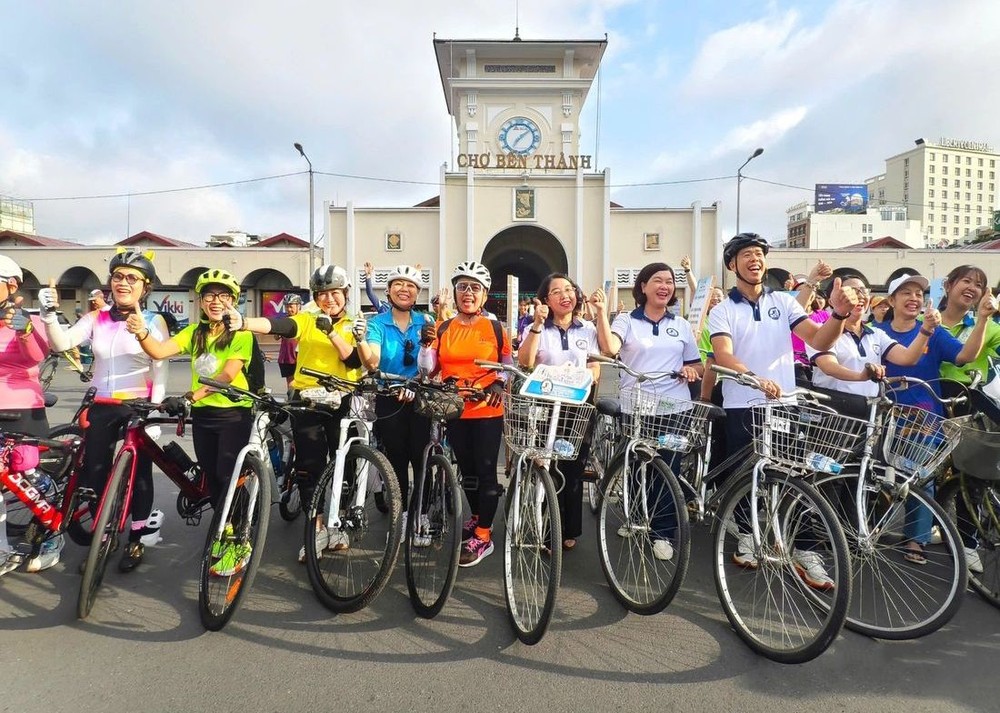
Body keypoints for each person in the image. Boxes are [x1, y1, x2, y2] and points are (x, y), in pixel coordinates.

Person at [706, 233, 859, 589]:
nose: (754, 259)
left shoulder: (786, 303)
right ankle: (747, 534)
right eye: (746, 254)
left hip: (784, 403)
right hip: (743, 402)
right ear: (732, 264)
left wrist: (837, 314)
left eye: (759, 253)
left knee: (795, 477)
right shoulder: (723, 309)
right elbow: (723, 354)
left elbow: (819, 340)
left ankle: (805, 550)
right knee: (748, 476)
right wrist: (753, 378)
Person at [38, 249, 168, 572]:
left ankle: (137, 537)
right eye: (118, 276)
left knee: (139, 475)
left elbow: (160, 368)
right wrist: (50, 315)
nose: (123, 283)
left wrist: (153, 414)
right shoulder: (97, 318)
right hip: (101, 404)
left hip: (137, 406)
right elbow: (61, 344)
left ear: (145, 287)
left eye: (132, 278)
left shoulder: (153, 320)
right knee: (94, 473)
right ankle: (101, 536)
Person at [229, 264, 364, 562]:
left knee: (345, 466)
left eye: (335, 293)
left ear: (345, 294)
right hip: (308, 400)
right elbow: (280, 325)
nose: (329, 299)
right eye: (323, 294)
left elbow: (355, 361)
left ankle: (337, 523)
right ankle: (316, 528)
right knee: (310, 466)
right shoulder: (308, 318)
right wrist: (244, 322)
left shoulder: (355, 322)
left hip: (342, 399)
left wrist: (332, 333)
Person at [125, 269, 254, 576]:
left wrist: (190, 397)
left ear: (233, 301)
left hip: (234, 412)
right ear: (200, 300)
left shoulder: (242, 335)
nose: (216, 301)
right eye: (209, 295)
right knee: (212, 477)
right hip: (204, 415)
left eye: (224, 296)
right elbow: (159, 351)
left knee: (226, 474)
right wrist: (142, 332)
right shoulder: (194, 333)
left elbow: (227, 376)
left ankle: (237, 538)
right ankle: (227, 522)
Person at [879, 272, 996, 564]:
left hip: (925, 416)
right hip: (882, 414)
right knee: (877, 476)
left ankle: (915, 540)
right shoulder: (876, 332)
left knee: (922, 478)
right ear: (891, 300)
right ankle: (865, 528)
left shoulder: (934, 331)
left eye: (918, 293)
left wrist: (982, 318)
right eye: (906, 293)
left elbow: (965, 356)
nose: (914, 298)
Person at [592, 262, 702, 561]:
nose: (664, 286)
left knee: (669, 469)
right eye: (657, 280)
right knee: (639, 465)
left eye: (669, 281)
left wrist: (690, 372)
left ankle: (663, 532)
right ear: (643, 286)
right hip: (636, 406)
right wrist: (602, 313)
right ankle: (637, 513)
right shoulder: (627, 320)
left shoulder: (679, 325)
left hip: (675, 406)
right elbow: (609, 347)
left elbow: (696, 363)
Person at [417, 260, 511, 567]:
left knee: (486, 473)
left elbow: (508, 363)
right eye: (462, 287)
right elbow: (429, 370)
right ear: (455, 293)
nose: (467, 293)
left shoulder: (496, 327)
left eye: (474, 288)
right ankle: (477, 517)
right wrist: (426, 345)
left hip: (486, 410)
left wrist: (499, 382)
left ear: (484, 295)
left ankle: (484, 535)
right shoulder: (444, 327)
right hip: (454, 408)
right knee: (468, 473)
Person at [518, 273, 600, 551]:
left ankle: (570, 528)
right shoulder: (536, 327)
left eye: (569, 290)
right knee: (547, 466)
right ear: (546, 300)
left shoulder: (587, 329)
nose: (565, 295)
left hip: (578, 407)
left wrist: (586, 375)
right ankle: (546, 527)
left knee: (573, 468)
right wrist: (538, 325)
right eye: (557, 292)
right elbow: (526, 362)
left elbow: (597, 365)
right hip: (545, 407)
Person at [356, 265, 434, 512]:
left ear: (417, 293)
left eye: (411, 285)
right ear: (388, 291)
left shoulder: (426, 321)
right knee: (396, 460)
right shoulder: (377, 323)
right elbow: (373, 362)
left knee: (422, 460)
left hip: (419, 397)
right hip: (389, 396)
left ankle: (420, 516)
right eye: (398, 284)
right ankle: (399, 516)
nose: (404, 289)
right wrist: (360, 342)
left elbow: (432, 364)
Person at [807, 274, 942, 416]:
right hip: (832, 411)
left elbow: (907, 358)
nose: (858, 296)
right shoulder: (820, 333)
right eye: (851, 291)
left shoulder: (876, 334)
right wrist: (861, 376)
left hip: (869, 412)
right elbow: (829, 367)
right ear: (832, 300)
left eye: (863, 291)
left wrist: (927, 329)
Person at [0, 255, 60, 574]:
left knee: (29, 477)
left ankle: (51, 533)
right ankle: (2, 546)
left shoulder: (26, 319)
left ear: (12, 286)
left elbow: (36, 355)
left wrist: (22, 329)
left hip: (22, 406)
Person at [276, 294, 302, 396]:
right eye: (287, 306)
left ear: (298, 306)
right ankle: (291, 399)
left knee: (301, 381)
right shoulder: (284, 320)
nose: (288, 309)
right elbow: (276, 337)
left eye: (291, 306)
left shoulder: (303, 319)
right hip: (286, 356)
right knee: (290, 381)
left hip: (299, 356)